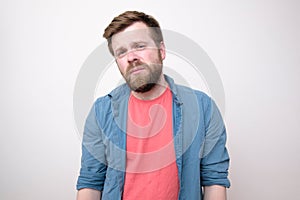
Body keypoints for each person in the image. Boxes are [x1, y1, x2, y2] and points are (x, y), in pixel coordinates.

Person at [76, 11, 230, 200]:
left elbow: (214, 181)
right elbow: (91, 183)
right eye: (121, 52)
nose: (130, 57)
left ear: (161, 50)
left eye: (139, 46)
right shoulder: (101, 111)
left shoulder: (202, 107)